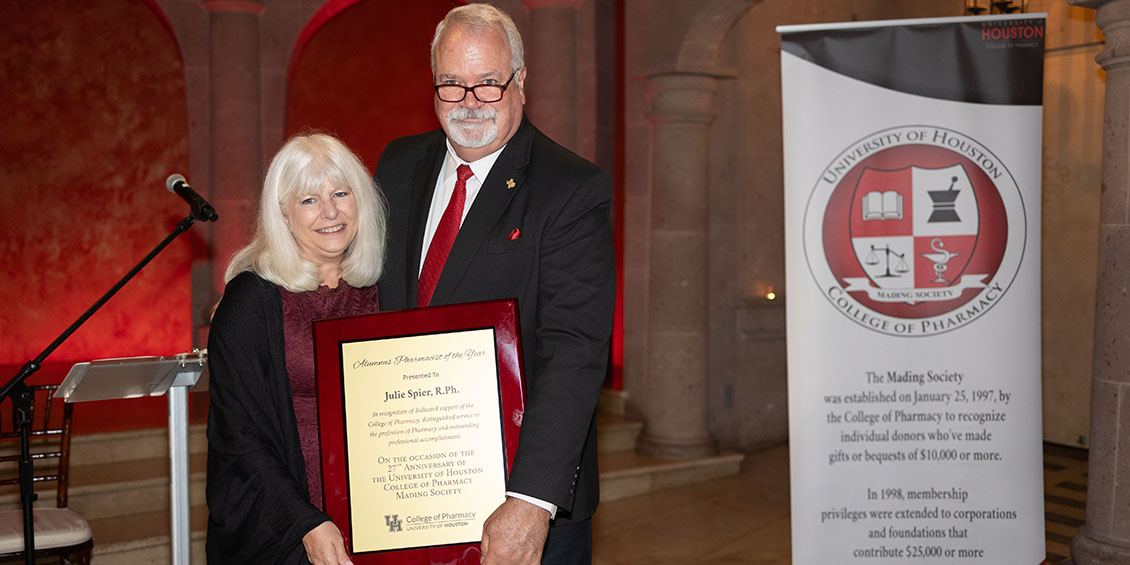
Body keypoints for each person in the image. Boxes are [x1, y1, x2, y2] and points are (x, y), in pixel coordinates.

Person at [375, 4, 615, 564]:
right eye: (451, 83)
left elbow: (575, 350)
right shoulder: (397, 164)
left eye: (488, 83)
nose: (469, 102)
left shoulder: (571, 189)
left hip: (518, 496)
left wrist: (530, 501)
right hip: (407, 479)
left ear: (520, 81)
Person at [206, 133, 386, 564]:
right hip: (286, 525)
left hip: (382, 514)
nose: (330, 211)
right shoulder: (250, 301)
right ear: (283, 214)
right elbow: (240, 436)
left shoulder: (385, 288)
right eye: (309, 200)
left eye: (341, 193)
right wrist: (305, 522)